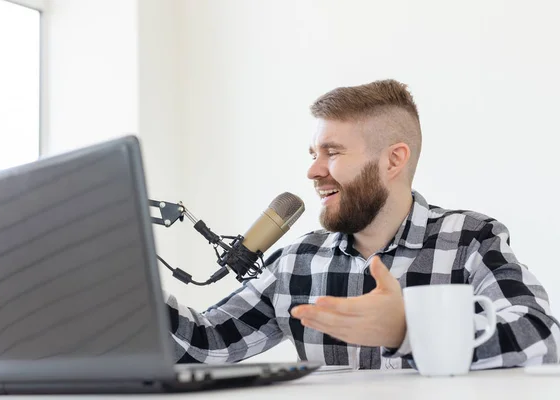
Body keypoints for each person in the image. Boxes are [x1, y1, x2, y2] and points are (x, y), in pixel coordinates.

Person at [166, 79, 560, 369]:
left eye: (332, 152)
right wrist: (131, 282)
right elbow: (205, 346)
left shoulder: (470, 240)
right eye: (313, 153)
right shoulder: (296, 261)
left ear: (393, 161)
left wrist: (407, 331)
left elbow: (541, 336)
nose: (313, 170)